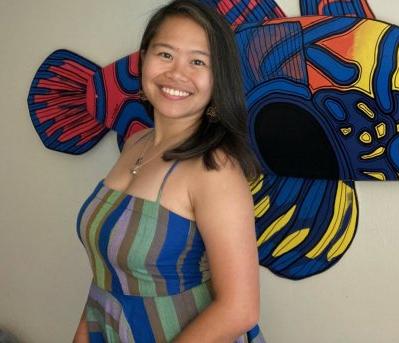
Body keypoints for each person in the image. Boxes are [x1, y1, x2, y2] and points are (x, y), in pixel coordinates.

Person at [72, 1, 264, 342]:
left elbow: (240, 309)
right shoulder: (137, 143)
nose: (177, 73)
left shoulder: (215, 170)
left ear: (219, 77)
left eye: (198, 62)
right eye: (165, 54)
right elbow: (107, 271)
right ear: (143, 58)